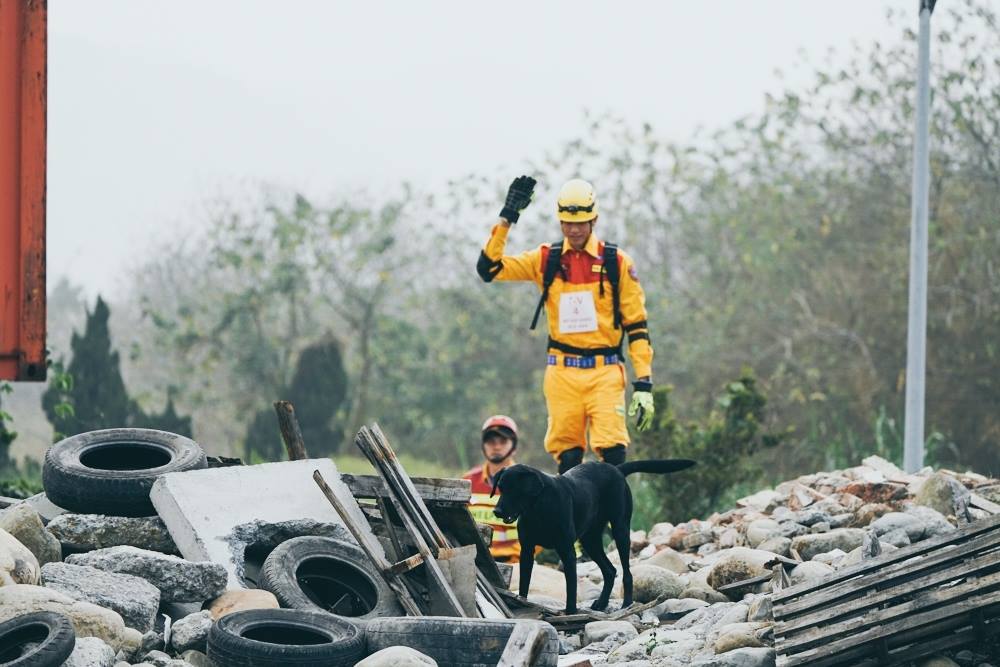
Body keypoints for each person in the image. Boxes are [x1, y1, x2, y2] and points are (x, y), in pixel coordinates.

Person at [476, 176, 655, 474]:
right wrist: (508, 217)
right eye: (567, 223)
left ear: (594, 219)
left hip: (605, 369)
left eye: (581, 222)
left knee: (613, 450)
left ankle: (614, 520)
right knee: (568, 455)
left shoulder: (617, 262)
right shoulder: (546, 259)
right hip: (562, 370)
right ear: (560, 221)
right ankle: (575, 520)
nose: (574, 229)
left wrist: (644, 383)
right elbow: (489, 269)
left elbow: (637, 325)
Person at [463, 415, 523, 562]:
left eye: (503, 441)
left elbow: (540, 530)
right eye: (491, 441)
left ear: (514, 447)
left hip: (514, 564)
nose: (496, 446)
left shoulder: (527, 482)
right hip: (474, 561)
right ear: (483, 446)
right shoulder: (467, 481)